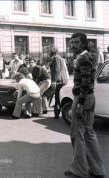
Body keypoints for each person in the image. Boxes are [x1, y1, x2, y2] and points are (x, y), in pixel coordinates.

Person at [64, 32, 105, 178]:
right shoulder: (88, 57)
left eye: (76, 42)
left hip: (83, 99)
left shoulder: (83, 58)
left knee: (77, 135)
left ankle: (79, 170)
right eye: (71, 42)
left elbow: (86, 82)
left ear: (83, 43)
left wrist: (80, 103)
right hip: (89, 98)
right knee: (88, 133)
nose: (72, 45)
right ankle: (98, 170)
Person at [48, 46, 69, 119]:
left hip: (59, 81)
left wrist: (54, 81)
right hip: (62, 80)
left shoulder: (56, 58)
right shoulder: (59, 57)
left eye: (49, 51)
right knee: (58, 97)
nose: (48, 53)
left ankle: (57, 114)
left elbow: (57, 70)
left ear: (53, 51)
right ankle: (57, 112)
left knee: (57, 98)